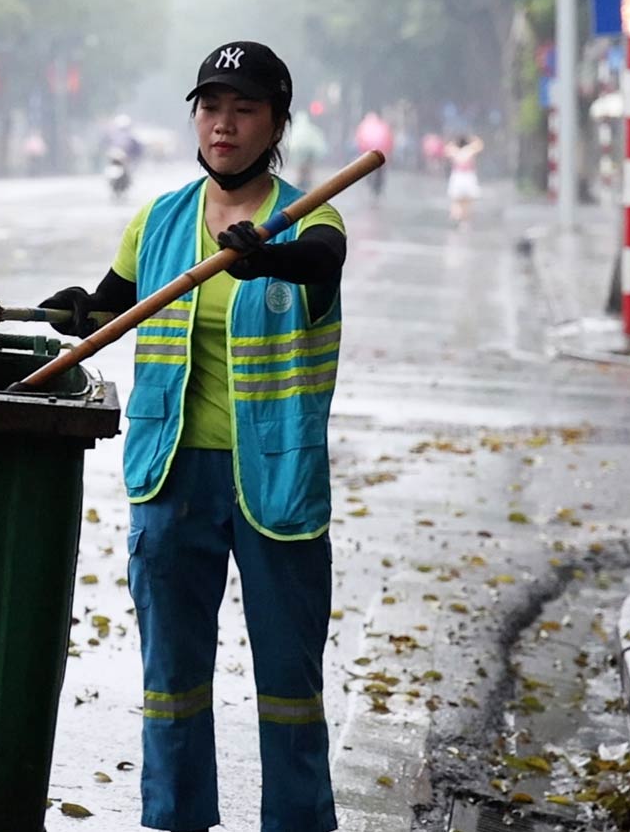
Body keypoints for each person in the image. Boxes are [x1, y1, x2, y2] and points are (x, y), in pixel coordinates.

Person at [41, 40, 344, 832]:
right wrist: (77, 311)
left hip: (273, 483)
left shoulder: (313, 216)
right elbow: (112, 309)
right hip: (172, 476)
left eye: (245, 109)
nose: (224, 124)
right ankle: (174, 818)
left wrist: (267, 253)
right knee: (171, 680)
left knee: (287, 681)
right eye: (211, 107)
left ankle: (298, 822)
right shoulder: (161, 219)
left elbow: (320, 260)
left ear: (276, 121)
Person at [354, 110, 394, 201]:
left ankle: (373, 186)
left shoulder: (364, 127)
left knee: (370, 171)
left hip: (369, 154)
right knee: (380, 172)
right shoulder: (383, 127)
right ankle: (378, 188)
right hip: (381, 154)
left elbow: (359, 140)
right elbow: (389, 140)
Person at [444, 134, 483, 226]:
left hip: (458, 176)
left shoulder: (455, 151)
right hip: (467, 177)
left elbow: (446, 149)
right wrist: (474, 139)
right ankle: (463, 221)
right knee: (466, 202)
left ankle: (456, 216)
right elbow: (479, 145)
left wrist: (452, 142)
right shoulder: (469, 150)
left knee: (457, 200)